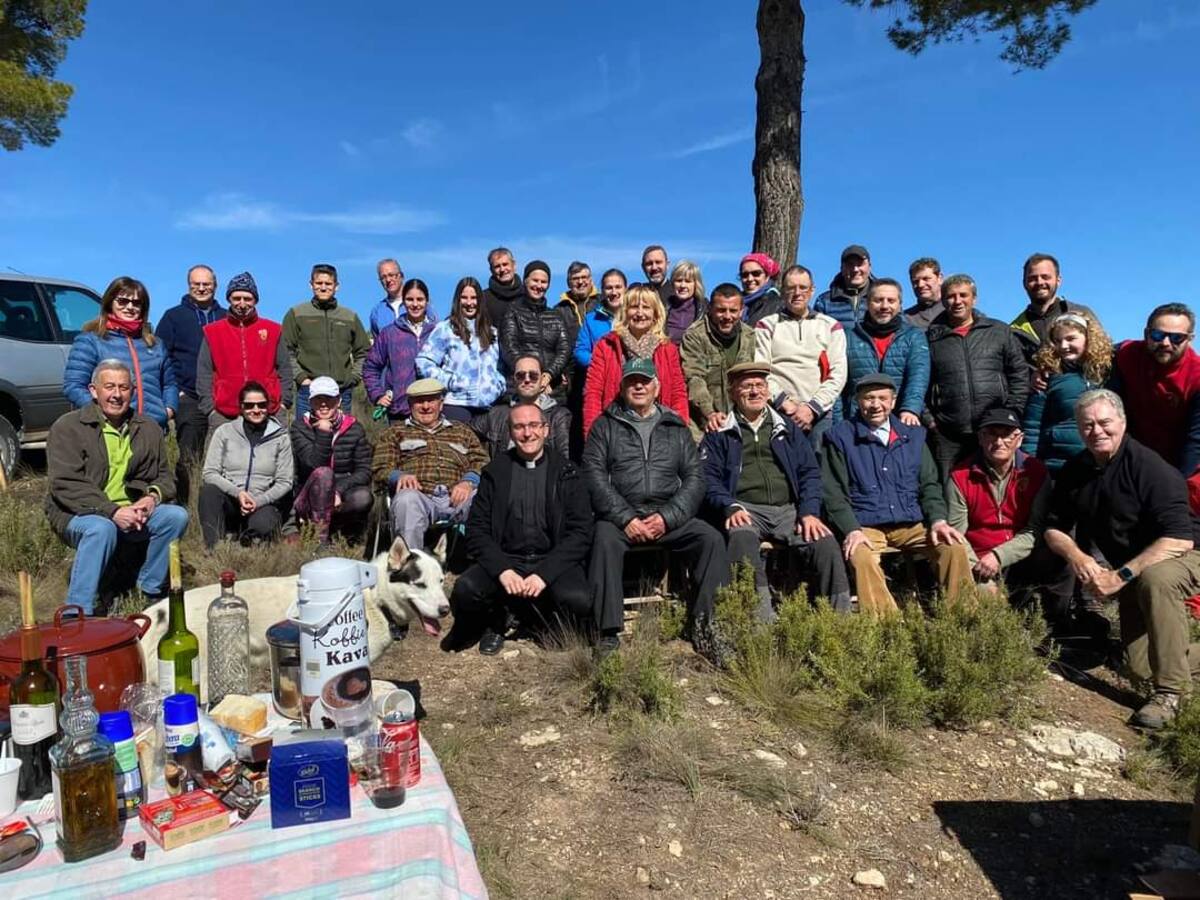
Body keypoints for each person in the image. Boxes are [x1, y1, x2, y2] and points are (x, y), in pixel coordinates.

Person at [1044, 389, 1200, 729]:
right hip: (1135, 567)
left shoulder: (1151, 468)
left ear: (1123, 422)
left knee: (1156, 579)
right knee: (1138, 666)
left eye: (1104, 422)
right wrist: (1079, 557)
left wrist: (1118, 576)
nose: (1096, 431)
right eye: (1087, 425)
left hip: (1185, 553)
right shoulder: (1077, 470)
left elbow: (1179, 538)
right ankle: (1167, 667)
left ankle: (1171, 695)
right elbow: (1053, 529)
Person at [583, 359, 729, 658]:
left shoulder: (676, 426)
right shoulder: (604, 426)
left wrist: (667, 517)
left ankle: (707, 628)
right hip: (623, 517)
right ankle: (607, 633)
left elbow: (695, 478)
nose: (639, 386)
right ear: (621, 386)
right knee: (603, 539)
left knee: (711, 539)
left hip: (668, 515)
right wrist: (625, 518)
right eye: (632, 381)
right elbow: (593, 477)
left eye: (645, 381)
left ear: (656, 387)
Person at [701, 361, 851, 618]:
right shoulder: (720, 432)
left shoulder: (787, 428)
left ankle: (839, 622)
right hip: (745, 509)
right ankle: (760, 623)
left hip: (788, 510)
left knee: (824, 541)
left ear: (768, 391)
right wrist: (729, 505)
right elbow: (707, 479)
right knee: (742, 539)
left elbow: (810, 473)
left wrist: (809, 511)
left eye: (760, 385)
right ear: (733, 392)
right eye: (747, 386)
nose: (755, 392)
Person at [447, 403, 594, 655]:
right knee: (466, 590)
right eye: (519, 427)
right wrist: (502, 569)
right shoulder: (495, 472)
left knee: (578, 599)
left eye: (534, 425)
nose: (527, 433)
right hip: (507, 559)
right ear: (511, 433)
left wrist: (544, 574)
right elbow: (477, 530)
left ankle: (541, 619)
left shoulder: (567, 471)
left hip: (551, 560)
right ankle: (495, 622)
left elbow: (581, 532)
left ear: (546, 430)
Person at [821, 373, 972, 615]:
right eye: (868, 398)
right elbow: (833, 492)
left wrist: (938, 520)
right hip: (866, 524)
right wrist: (851, 529)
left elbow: (929, 484)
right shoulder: (840, 437)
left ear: (893, 402)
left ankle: (964, 618)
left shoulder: (912, 436)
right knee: (861, 556)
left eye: (882, 398)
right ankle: (888, 626)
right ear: (858, 402)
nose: (875, 405)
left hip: (911, 522)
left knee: (952, 547)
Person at [46, 360, 189, 614]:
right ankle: (78, 611)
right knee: (101, 529)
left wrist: (152, 498)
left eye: (123, 388)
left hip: (131, 508)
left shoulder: (148, 428)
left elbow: (165, 476)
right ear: (93, 390)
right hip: (79, 512)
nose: (116, 394)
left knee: (175, 516)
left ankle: (148, 590)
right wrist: (111, 511)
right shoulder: (68, 427)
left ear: (132, 391)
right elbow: (65, 484)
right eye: (109, 386)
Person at [947, 408, 1073, 630]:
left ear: (1019, 439)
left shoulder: (1035, 471)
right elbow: (956, 535)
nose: (999, 441)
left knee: (1062, 557)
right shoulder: (960, 476)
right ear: (980, 437)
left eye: (1007, 434)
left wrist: (1000, 555)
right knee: (991, 616)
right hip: (980, 560)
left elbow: (1036, 528)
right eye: (991, 434)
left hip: (1022, 553)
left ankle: (1056, 626)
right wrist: (978, 568)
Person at [924, 274, 1030, 477]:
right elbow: (921, 382)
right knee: (950, 489)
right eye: (951, 296)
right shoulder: (931, 338)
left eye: (963, 295)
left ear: (974, 298)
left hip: (995, 429)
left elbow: (1018, 373)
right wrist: (931, 421)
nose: (957, 301)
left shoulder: (998, 331)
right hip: (948, 433)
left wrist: (1012, 411)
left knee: (994, 486)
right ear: (943, 300)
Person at [371, 378, 488, 552]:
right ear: (410, 404)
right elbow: (380, 468)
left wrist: (468, 481)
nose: (426, 406)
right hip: (420, 496)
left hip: (458, 496)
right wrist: (399, 476)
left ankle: (484, 561)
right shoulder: (394, 432)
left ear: (441, 404)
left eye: (431, 400)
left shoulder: (462, 431)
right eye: (419, 401)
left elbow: (482, 462)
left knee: (487, 496)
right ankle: (410, 566)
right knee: (406, 499)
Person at [63, 276, 178, 430]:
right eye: (123, 301)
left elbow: (170, 384)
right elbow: (74, 386)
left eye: (136, 303)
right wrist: (103, 414)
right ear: (110, 302)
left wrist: (168, 410)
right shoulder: (91, 340)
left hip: (152, 429)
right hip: (108, 429)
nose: (130, 307)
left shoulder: (156, 345)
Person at [754, 265, 847, 447]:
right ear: (782, 291)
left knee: (818, 470)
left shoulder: (830, 326)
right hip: (778, 411)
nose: (797, 293)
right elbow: (761, 369)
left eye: (803, 287)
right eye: (791, 288)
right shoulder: (766, 326)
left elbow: (838, 374)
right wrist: (785, 403)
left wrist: (811, 408)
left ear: (812, 290)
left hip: (819, 413)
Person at [156, 264, 226, 502]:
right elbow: (161, 357)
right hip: (189, 395)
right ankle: (183, 504)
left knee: (224, 454)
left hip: (221, 397)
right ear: (189, 286)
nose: (201, 288)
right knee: (189, 455)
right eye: (196, 284)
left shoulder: (226, 317)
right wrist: (176, 391)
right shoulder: (173, 317)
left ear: (215, 286)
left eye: (206, 284)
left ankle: (219, 504)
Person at [582, 283, 689, 437]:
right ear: (625, 311)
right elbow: (593, 393)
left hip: (659, 432)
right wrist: (592, 438)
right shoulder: (605, 346)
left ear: (655, 313)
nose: (640, 313)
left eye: (646, 307)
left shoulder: (668, 349)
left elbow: (678, 394)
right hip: (615, 431)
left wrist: (681, 435)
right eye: (634, 307)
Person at [199, 381, 294, 549]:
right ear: (241, 407)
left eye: (261, 405)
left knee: (265, 524)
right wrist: (238, 493)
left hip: (262, 502)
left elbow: (285, 481)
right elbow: (210, 472)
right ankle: (214, 548)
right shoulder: (224, 432)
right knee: (209, 492)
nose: (256, 410)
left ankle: (247, 538)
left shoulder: (281, 437)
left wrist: (258, 501)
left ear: (268, 406)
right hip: (231, 499)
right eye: (250, 405)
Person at [1110, 303, 1200, 474]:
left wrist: (1178, 488)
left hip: (1176, 461)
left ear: (1190, 339)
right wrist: (1047, 368)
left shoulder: (1196, 376)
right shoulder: (1126, 354)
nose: (1165, 343)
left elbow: (1195, 442)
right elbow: (1089, 353)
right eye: (1158, 335)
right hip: (1131, 457)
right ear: (1146, 334)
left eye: (1176, 338)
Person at [196, 271, 292, 426]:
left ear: (255, 300)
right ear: (229, 299)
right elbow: (204, 372)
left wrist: (284, 402)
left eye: (247, 299)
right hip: (224, 412)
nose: (242, 304)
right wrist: (210, 409)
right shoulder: (212, 332)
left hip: (267, 409)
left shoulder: (273, 330)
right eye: (236, 298)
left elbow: (285, 368)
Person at [1021, 312, 1114, 473]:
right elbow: (1032, 426)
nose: (1063, 346)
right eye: (1057, 341)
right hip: (1057, 465)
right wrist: (1029, 466)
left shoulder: (1109, 372)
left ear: (1088, 338)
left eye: (1070, 339)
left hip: (1101, 465)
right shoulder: (1047, 376)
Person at [290, 376, 372, 544]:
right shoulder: (299, 427)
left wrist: (338, 490)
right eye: (318, 399)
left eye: (329, 399)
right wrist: (324, 433)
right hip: (309, 492)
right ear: (310, 402)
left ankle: (341, 530)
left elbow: (364, 470)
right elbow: (313, 464)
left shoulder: (354, 428)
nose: (323, 404)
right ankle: (320, 539)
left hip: (341, 489)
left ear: (339, 400)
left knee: (363, 497)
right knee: (324, 472)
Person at [282, 263, 370, 420]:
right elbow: (286, 350)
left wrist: (354, 378)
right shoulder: (296, 314)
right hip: (308, 391)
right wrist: (302, 378)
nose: (323, 287)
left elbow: (364, 351)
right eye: (319, 283)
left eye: (328, 283)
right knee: (306, 439)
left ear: (337, 286)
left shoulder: (349, 316)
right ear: (311, 285)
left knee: (340, 440)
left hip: (341, 391)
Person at [838, 278, 929, 425]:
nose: (884, 306)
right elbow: (839, 383)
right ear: (867, 303)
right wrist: (839, 422)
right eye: (878, 300)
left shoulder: (914, 336)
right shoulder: (849, 336)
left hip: (899, 420)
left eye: (891, 301)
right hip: (856, 420)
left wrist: (910, 409)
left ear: (900, 305)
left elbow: (918, 377)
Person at [416, 277, 504, 421]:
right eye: (464, 297)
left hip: (487, 405)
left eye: (474, 298)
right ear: (458, 300)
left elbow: (500, 368)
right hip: (457, 403)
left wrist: (497, 387)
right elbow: (423, 363)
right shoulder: (445, 329)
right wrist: (451, 382)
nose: (469, 303)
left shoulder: (492, 332)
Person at [681, 283, 755, 436]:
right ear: (710, 309)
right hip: (704, 421)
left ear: (741, 311)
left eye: (733, 311)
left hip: (742, 419)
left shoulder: (750, 336)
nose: (727, 317)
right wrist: (709, 413)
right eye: (721, 310)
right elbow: (694, 378)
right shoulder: (694, 335)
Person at [364, 277, 440, 422]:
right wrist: (378, 395)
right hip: (400, 410)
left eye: (420, 299)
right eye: (410, 299)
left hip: (432, 410)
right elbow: (371, 367)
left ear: (427, 301)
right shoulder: (390, 333)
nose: (415, 304)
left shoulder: (438, 332)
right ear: (404, 301)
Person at [472, 352, 571, 459]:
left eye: (533, 375)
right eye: (520, 375)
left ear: (542, 379)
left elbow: (564, 460)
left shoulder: (558, 417)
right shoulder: (497, 414)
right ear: (514, 380)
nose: (527, 380)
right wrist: (475, 470)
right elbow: (463, 432)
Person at [1010, 253, 1097, 364]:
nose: (1040, 282)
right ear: (1024, 283)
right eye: (1033, 278)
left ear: (1058, 280)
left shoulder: (1082, 314)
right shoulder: (1014, 330)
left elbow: (1103, 354)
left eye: (1045, 277)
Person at [500, 260, 570, 394]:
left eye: (543, 282)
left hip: (551, 387)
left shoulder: (556, 316)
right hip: (522, 385)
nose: (539, 285)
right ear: (526, 281)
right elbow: (509, 347)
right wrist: (532, 377)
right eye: (535, 280)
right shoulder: (513, 312)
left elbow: (564, 349)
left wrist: (549, 374)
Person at [812, 244, 876, 331]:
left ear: (869, 267)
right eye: (850, 264)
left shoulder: (883, 298)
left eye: (860, 264)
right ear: (842, 268)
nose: (855, 269)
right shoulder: (824, 302)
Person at [574, 268, 626, 369]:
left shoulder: (635, 317)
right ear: (602, 291)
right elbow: (580, 352)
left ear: (625, 289)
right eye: (609, 288)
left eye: (618, 287)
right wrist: (603, 362)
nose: (614, 292)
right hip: (601, 376)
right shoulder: (591, 319)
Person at [556, 261, 599, 354]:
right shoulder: (559, 310)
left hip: (602, 362)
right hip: (572, 364)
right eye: (575, 278)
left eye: (584, 277)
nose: (580, 282)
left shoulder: (603, 303)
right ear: (568, 283)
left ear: (591, 280)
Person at [664, 260, 706, 344]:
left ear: (696, 284)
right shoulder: (664, 307)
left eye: (688, 281)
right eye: (679, 281)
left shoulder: (706, 310)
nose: (683, 286)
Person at [482, 247, 523, 328]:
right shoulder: (483, 299)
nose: (502, 269)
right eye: (497, 266)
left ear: (514, 265)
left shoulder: (527, 295)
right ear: (491, 270)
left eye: (505, 264)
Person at [739, 252, 784, 325]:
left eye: (756, 273)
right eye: (745, 275)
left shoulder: (778, 305)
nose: (750, 279)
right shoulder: (735, 303)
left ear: (767, 276)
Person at [903, 257, 944, 330]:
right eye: (915, 281)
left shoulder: (954, 311)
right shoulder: (905, 320)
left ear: (940, 278)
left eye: (926, 279)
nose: (920, 285)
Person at [369, 258, 406, 337]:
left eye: (391, 275)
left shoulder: (418, 304)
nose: (388, 280)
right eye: (383, 277)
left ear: (401, 276)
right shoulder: (377, 312)